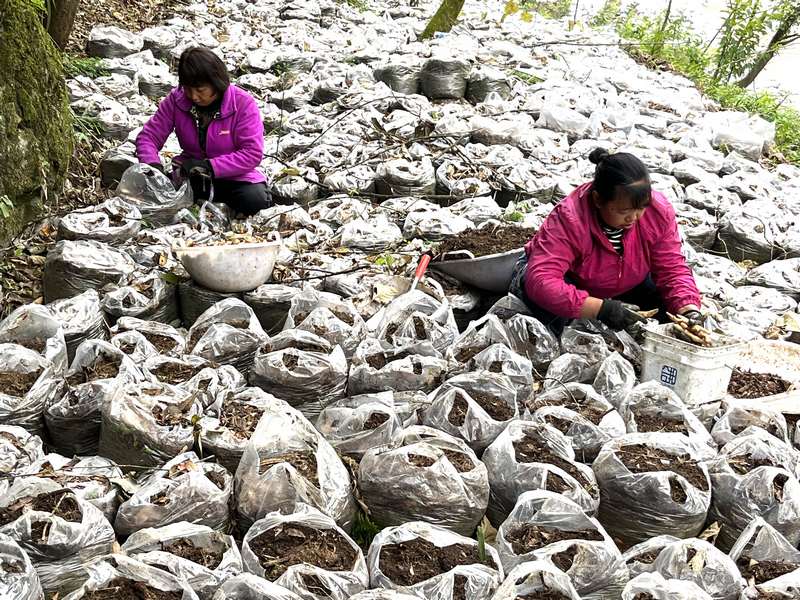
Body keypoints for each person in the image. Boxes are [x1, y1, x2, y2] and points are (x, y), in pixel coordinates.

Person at [510, 148, 702, 334]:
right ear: (598, 200)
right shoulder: (570, 219)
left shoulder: (657, 211)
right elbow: (542, 280)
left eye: (641, 208)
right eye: (623, 211)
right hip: (574, 282)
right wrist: (600, 309)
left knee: (668, 312)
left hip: (625, 281)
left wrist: (688, 308)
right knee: (553, 316)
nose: (634, 218)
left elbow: (671, 267)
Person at [136, 46, 271, 216]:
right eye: (188, 89)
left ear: (217, 83)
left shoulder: (243, 104)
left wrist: (209, 166)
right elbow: (148, 137)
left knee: (255, 201)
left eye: (200, 90)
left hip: (233, 177)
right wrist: (153, 167)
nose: (193, 96)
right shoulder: (176, 100)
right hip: (191, 176)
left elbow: (252, 153)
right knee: (151, 194)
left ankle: (210, 202)